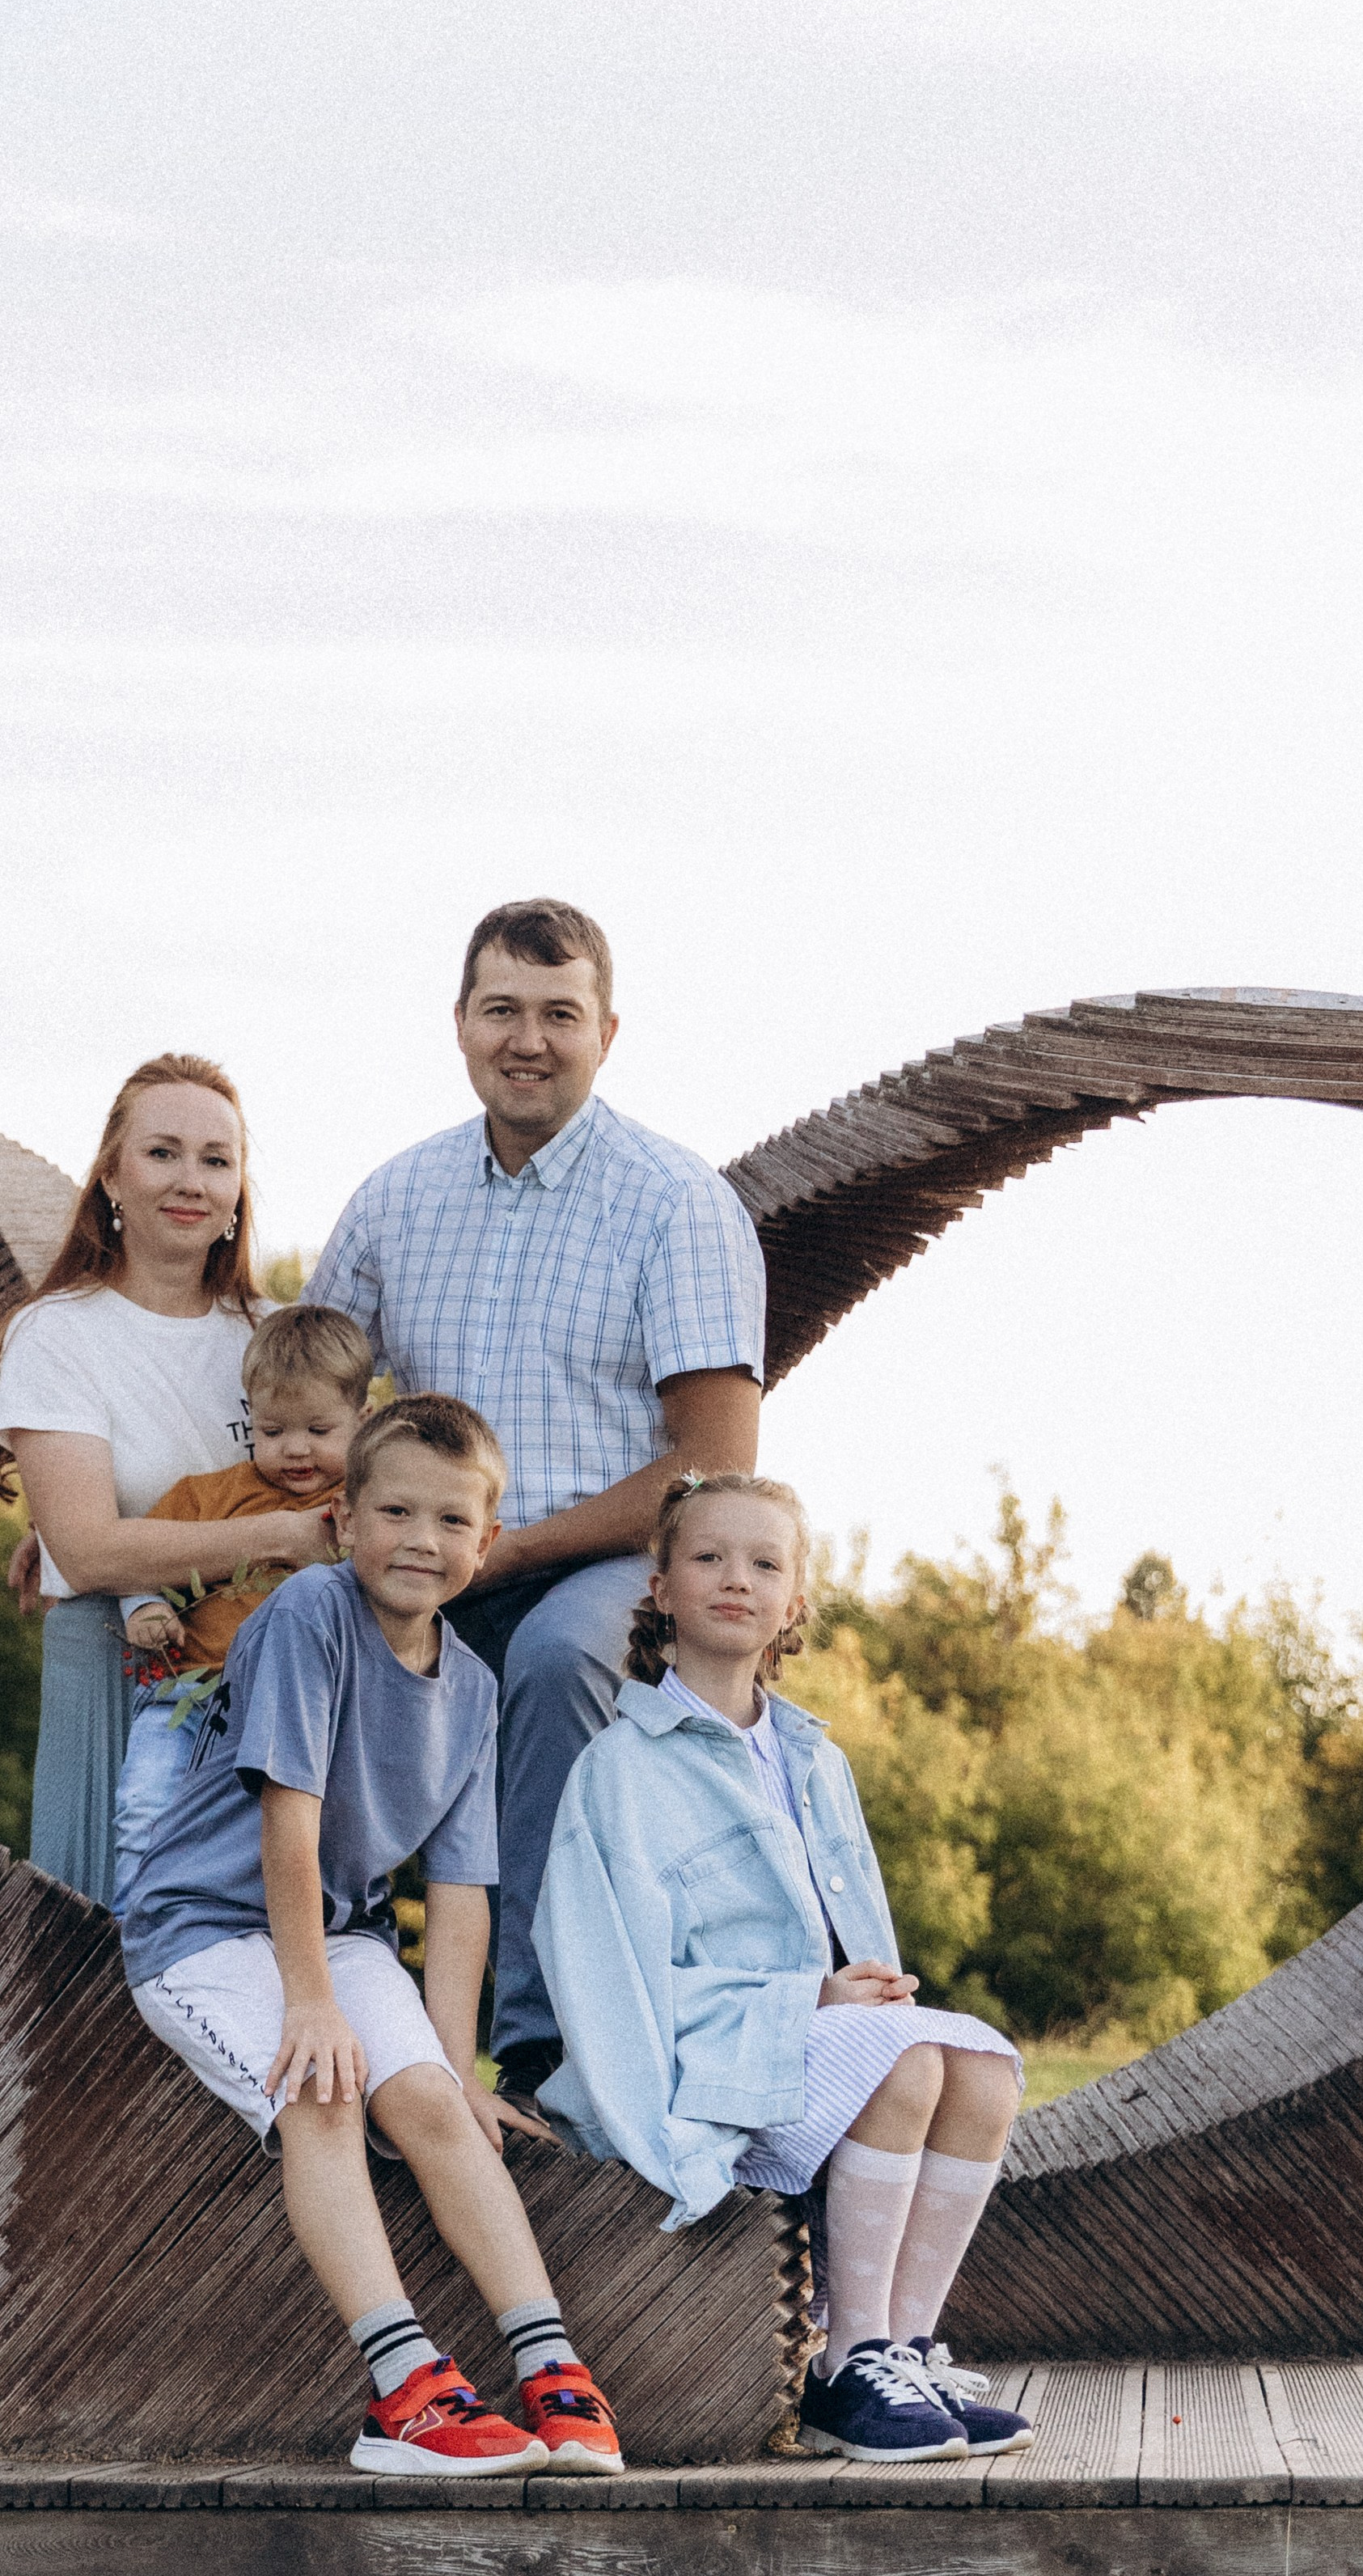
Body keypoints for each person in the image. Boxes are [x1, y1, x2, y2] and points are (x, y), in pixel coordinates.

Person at [307, 896, 766, 2100]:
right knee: (302, 1635)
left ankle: (536, 2047)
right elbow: (297, 1403)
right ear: (459, 1024)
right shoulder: (394, 1202)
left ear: (607, 1032)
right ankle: (331, 2004)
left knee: (557, 1660)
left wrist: (508, 1557)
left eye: (559, 1015)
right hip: (430, 1551)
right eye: (503, 1009)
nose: (529, 1039)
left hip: (607, 1565)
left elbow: (713, 1464)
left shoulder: (677, 1203)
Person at [122, 1394, 624, 2481]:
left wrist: (453, 2059)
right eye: (395, 1511)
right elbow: (286, 1829)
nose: (422, 1541)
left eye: (451, 1522)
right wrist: (310, 2003)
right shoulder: (311, 1612)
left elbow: (459, 1895)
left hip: (334, 1938)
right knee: (327, 2087)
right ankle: (404, 2389)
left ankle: (553, 2371)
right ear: (345, 1521)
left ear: (487, 1544)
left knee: (438, 2105)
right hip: (205, 1929)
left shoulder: (475, 1687)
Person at [532, 1472, 1032, 2467]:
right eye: (708, 1557)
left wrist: (868, 1991)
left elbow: (857, 1934)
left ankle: (905, 2347)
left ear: (794, 1603)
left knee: (983, 2070)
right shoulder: (620, 1771)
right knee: (907, 2067)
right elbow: (606, 1979)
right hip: (698, 2059)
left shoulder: (814, 1757)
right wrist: (809, 2000)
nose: (736, 1580)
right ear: (662, 1586)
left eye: (765, 1564)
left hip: (805, 2043)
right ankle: (845, 2367)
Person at [0, 1054, 336, 1905]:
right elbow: (91, 1552)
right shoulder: (59, 1335)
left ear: (240, 1189)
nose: (192, 1182)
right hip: (117, 1664)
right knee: (95, 1957)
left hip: (275, 1676)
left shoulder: (278, 1337)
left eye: (217, 1160)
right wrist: (283, 1534)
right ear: (111, 1176)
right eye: (162, 1153)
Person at [110, 1301, 373, 1915]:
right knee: (146, 1807)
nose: (295, 1450)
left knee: (280, 1839)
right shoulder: (207, 1496)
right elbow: (137, 1562)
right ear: (249, 1416)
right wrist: (143, 1607)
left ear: (362, 1421)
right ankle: (129, 1937)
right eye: (273, 1431)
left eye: (319, 1430)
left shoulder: (367, 1508)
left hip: (305, 1709)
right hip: (193, 1694)